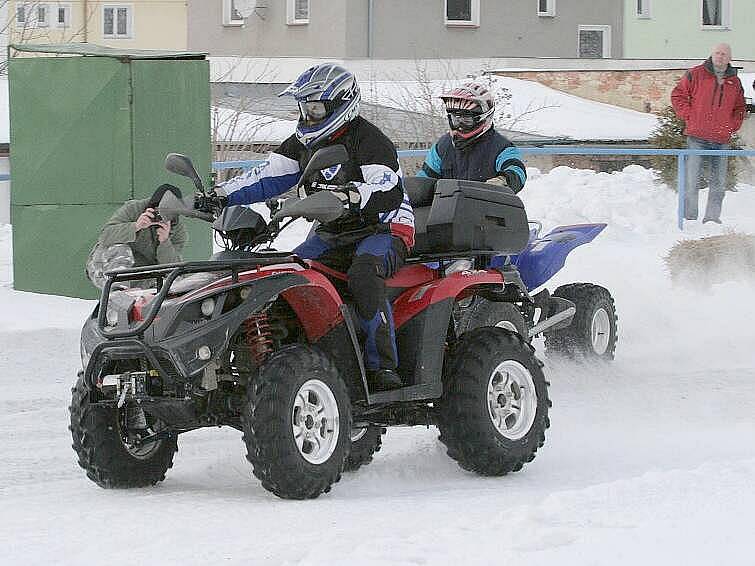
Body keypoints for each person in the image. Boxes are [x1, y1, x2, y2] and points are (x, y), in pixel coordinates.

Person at [215, 63, 415, 392]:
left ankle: (382, 368)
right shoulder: (301, 142)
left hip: (384, 228)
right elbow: (267, 176)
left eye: (316, 108)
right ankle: (315, 350)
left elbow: (387, 188)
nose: (308, 116)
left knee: (364, 275)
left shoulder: (369, 140)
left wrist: (354, 193)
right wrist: (219, 196)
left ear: (342, 104)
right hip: (334, 231)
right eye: (304, 108)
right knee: (290, 272)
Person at [671, 43, 746, 224]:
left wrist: (731, 126)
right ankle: (689, 218)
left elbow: (740, 108)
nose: (720, 57)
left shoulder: (735, 82)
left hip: (721, 139)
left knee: (719, 183)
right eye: (717, 53)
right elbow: (678, 95)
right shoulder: (696, 74)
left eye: (724, 54)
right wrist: (689, 116)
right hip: (697, 136)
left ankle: (712, 219)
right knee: (691, 179)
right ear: (712, 55)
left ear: (729, 59)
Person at [417, 81, 526, 192]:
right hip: (448, 206)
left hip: (488, 205)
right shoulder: (442, 146)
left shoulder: (502, 148)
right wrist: (417, 189)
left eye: (466, 120)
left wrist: (503, 180)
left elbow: (517, 170)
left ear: (483, 118)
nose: (460, 126)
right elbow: (424, 178)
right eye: (456, 119)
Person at [86, 184, 187, 288]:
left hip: (141, 276)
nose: (161, 217)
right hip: (105, 268)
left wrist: (165, 241)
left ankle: (150, 300)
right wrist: (136, 226)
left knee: (177, 279)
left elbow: (172, 268)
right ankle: (118, 294)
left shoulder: (177, 231)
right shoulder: (133, 209)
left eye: (168, 213)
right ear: (152, 206)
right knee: (121, 249)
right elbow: (105, 237)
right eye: (158, 211)